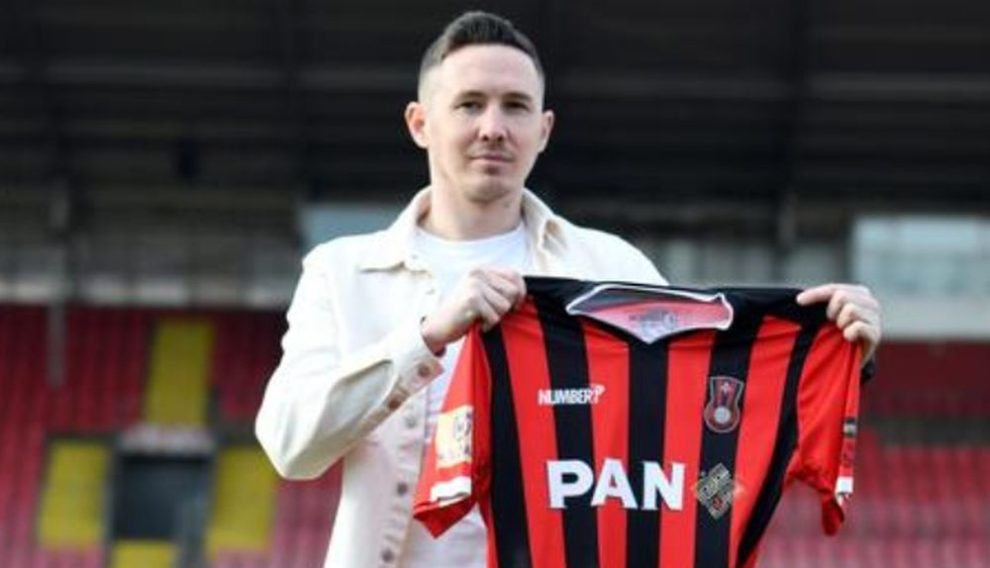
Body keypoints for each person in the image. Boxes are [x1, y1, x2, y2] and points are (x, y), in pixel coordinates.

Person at [255, 11, 882, 568]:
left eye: (515, 106)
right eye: (469, 104)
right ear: (420, 123)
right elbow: (290, 445)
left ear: (544, 128)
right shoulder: (343, 273)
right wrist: (428, 336)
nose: (494, 127)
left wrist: (837, 352)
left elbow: (703, 432)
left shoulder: (611, 266)